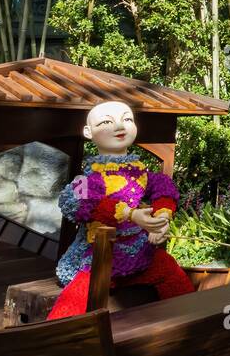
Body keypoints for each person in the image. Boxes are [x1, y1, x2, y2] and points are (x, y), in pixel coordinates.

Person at [47, 100, 194, 320]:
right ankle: (51, 338)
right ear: (88, 132)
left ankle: (192, 321)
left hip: (141, 256)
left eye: (127, 119)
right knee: (75, 300)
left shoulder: (140, 173)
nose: (119, 126)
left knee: (171, 272)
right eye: (107, 121)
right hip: (99, 260)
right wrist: (130, 214)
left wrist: (162, 217)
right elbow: (76, 202)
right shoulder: (85, 178)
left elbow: (164, 186)